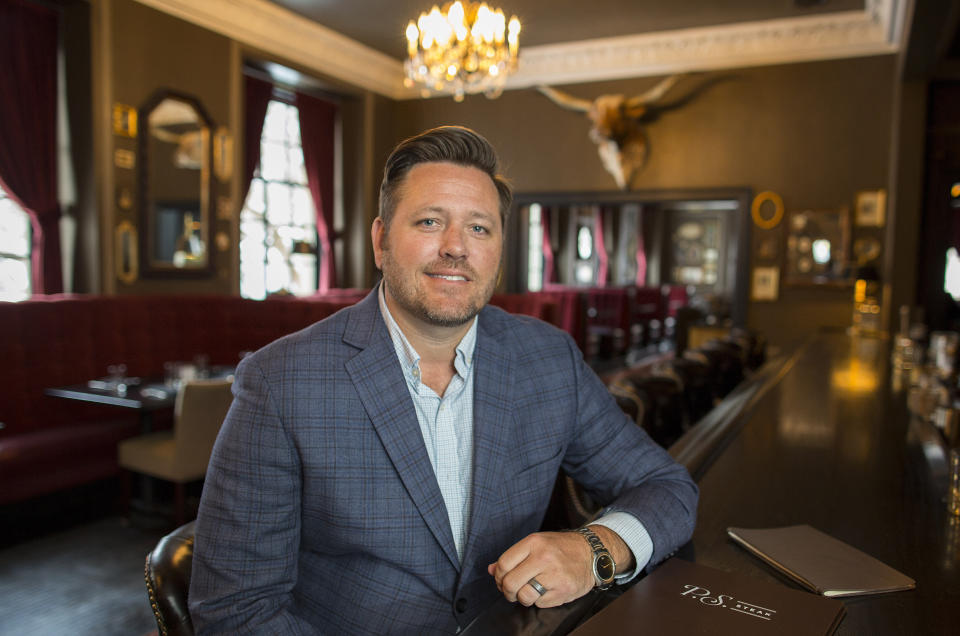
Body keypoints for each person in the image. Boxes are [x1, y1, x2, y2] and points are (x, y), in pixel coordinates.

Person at [189, 126, 698, 634]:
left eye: (480, 228)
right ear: (381, 240)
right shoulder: (281, 383)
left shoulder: (548, 358)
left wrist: (595, 550)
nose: (456, 247)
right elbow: (236, 612)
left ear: (499, 249)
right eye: (430, 221)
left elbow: (667, 486)